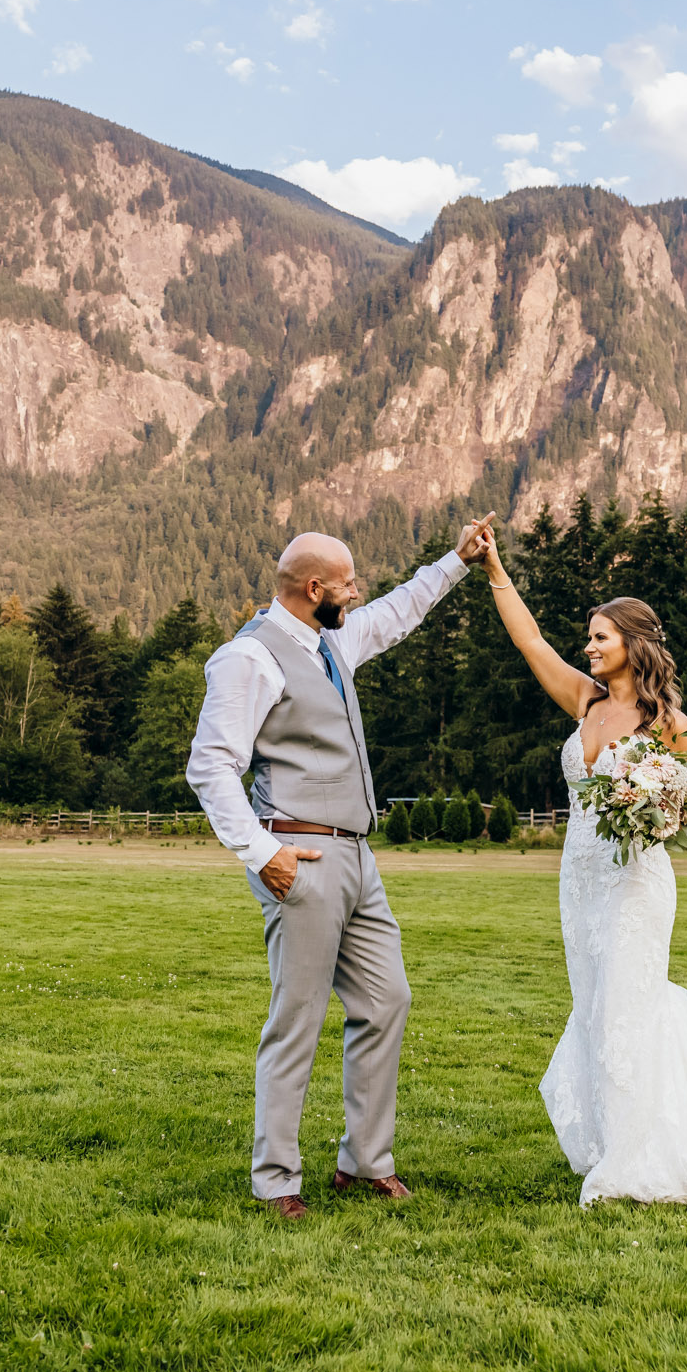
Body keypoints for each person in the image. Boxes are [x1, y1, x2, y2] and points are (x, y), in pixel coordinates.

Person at [471, 528, 687, 1214]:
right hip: (581, 877)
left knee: (629, 1002)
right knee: (596, 1005)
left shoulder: (668, 722)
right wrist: (496, 569)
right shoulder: (587, 702)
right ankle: (611, 1140)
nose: (588, 647)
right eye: (588, 638)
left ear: (634, 644)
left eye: (599, 637)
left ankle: (634, 1158)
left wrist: (651, 806)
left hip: (636, 881)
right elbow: (530, 642)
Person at [186, 517, 495, 1221]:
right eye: (348, 583)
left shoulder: (331, 641)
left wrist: (455, 560)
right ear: (314, 587)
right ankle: (275, 1179)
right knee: (298, 1018)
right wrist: (264, 855)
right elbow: (210, 764)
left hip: (359, 854)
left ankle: (363, 1162)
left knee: (388, 999)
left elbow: (396, 614)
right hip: (301, 856)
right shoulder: (250, 659)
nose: (358, 593)